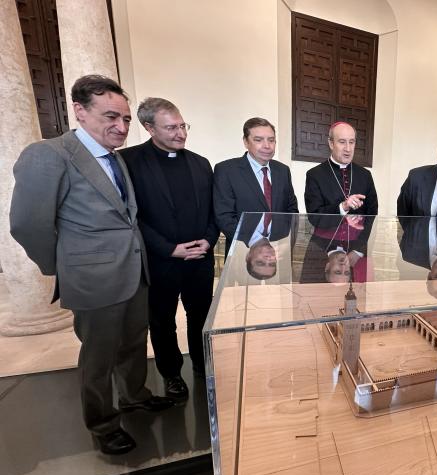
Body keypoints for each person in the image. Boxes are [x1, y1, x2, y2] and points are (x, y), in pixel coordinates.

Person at [10, 75, 173, 455]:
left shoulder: (115, 158)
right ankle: (102, 423)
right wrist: (62, 266)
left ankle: (134, 396)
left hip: (134, 273)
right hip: (92, 279)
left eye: (126, 119)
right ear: (79, 111)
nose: (122, 126)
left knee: (134, 342)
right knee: (99, 355)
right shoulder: (49, 155)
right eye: (111, 117)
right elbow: (28, 224)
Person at [119, 98, 219, 401]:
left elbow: (213, 210)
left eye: (183, 125)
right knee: (162, 321)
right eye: (171, 128)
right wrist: (169, 249)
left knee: (201, 316)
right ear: (149, 128)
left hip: (199, 258)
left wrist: (209, 239)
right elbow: (131, 216)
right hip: (160, 260)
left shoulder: (201, 163)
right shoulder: (129, 162)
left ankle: (202, 365)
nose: (181, 133)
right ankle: (171, 373)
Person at [213, 118, 298, 249]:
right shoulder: (226, 170)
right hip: (242, 248)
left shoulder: (283, 170)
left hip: (278, 248)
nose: (267, 146)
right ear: (245, 142)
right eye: (258, 140)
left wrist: (283, 242)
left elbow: (291, 210)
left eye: (271, 140)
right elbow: (224, 216)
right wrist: (256, 241)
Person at [304, 122, 378, 216]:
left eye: (351, 142)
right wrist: (342, 207)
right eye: (342, 142)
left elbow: (372, 213)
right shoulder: (315, 175)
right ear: (331, 143)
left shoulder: (365, 175)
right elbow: (314, 215)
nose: (348, 149)